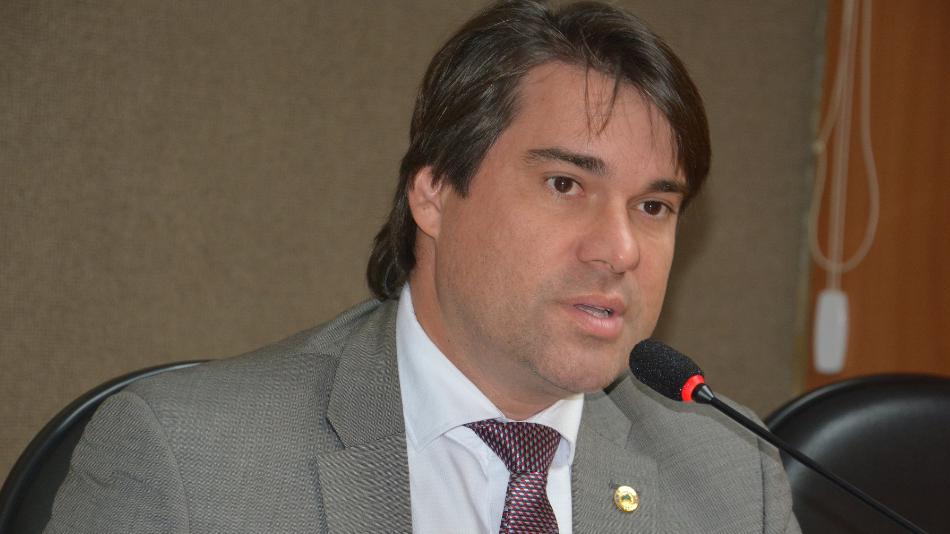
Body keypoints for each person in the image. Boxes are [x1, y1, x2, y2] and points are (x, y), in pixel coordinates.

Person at [44, 1, 800, 533]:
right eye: (565, 185)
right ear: (434, 194)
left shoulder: (732, 479)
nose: (621, 249)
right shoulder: (189, 464)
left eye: (654, 206)